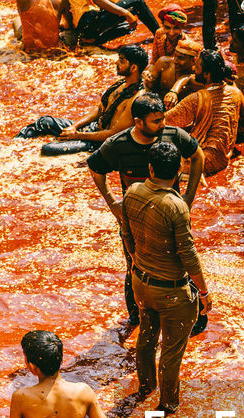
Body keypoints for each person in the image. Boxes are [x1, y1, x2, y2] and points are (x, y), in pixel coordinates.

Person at [86, 93, 204, 327]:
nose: (162, 125)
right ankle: (137, 317)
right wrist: (112, 204)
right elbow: (95, 167)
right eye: (156, 121)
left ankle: (193, 318)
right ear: (138, 122)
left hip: (170, 215)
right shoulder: (118, 146)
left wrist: (188, 198)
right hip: (134, 220)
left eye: (162, 119)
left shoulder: (172, 136)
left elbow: (198, 156)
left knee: (180, 262)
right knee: (134, 266)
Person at [122, 141, 210, 413]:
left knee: (146, 338)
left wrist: (138, 264)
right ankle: (168, 405)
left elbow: (126, 234)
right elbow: (189, 255)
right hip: (172, 291)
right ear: (179, 173)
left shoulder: (132, 192)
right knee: (171, 352)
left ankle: (146, 388)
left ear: (150, 168)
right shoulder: (176, 205)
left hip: (141, 283)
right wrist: (204, 293)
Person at [39, 44, 147, 157]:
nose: (116, 63)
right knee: (44, 122)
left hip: (100, 142)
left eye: (121, 61)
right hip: (92, 129)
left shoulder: (136, 99)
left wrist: (77, 135)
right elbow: (99, 108)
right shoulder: (121, 84)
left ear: (134, 68)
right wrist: (74, 127)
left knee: (48, 149)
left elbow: (113, 134)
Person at [164, 49, 244, 177]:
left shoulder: (196, 98)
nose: (194, 68)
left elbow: (164, 121)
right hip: (224, 156)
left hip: (200, 161)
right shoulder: (235, 92)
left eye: (197, 67)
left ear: (206, 75)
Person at [59, 0, 157, 47]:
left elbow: (66, 9)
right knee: (137, 3)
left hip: (84, 27)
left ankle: (92, 39)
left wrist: (75, 31)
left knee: (127, 28)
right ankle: (160, 35)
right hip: (90, 20)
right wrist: (125, 12)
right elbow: (99, 1)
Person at [160, 41, 203, 108]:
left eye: (180, 58)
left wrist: (173, 91)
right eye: (175, 56)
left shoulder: (199, 75)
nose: (175, 61)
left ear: (193, 61)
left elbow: (187, 78)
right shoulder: (164, 64)